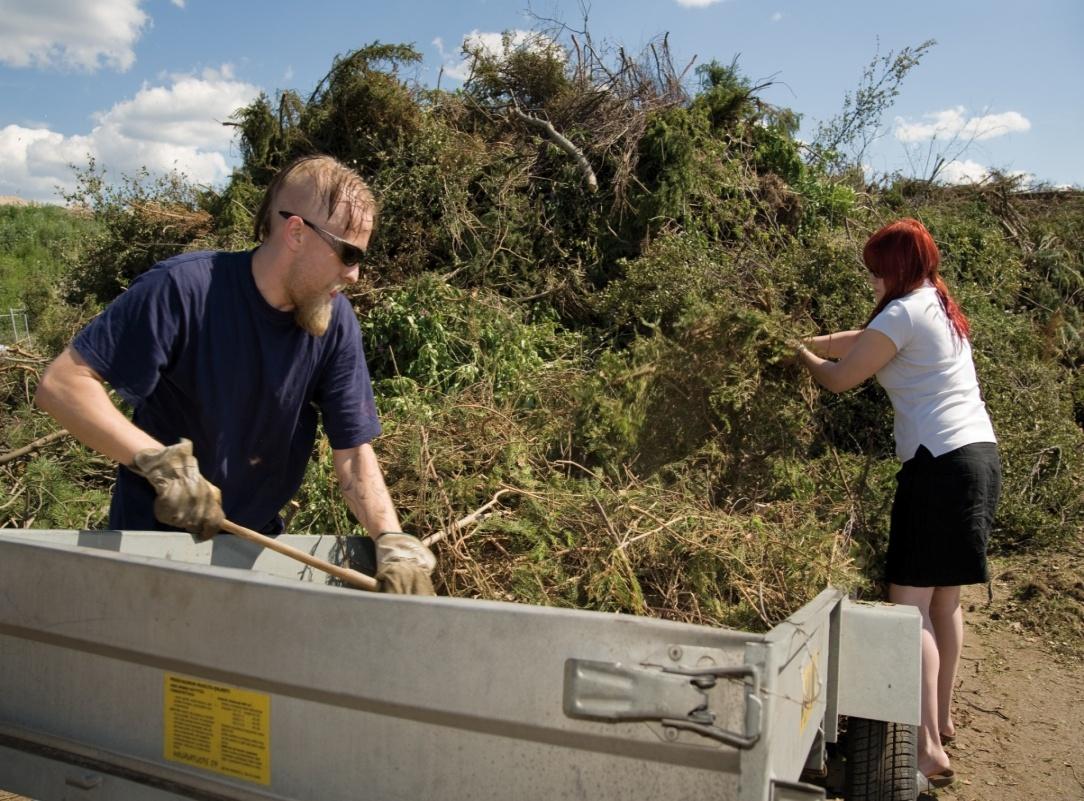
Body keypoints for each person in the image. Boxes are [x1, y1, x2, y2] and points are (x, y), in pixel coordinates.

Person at [35, 154, 436, 595]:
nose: (355, 274)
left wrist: (390, 538)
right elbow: (63, 384)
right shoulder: (184, 289)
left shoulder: (335, 323)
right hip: (149, 551)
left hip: (252, 556)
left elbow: (354, 453)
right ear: (297, 233)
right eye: (348, 253)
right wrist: (161, 465)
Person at [792, 218, 1000, 789]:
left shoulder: (903, 312)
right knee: (944, 603)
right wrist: (805, 338)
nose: (873, 279)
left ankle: (928, 748)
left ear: (894, 267)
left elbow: (839, 379)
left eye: (877, 269)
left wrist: (800, 359)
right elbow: (861, 341)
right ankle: (944, 719)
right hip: (978, 458)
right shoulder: (936, 304)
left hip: (938, 469)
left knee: (909, 611)